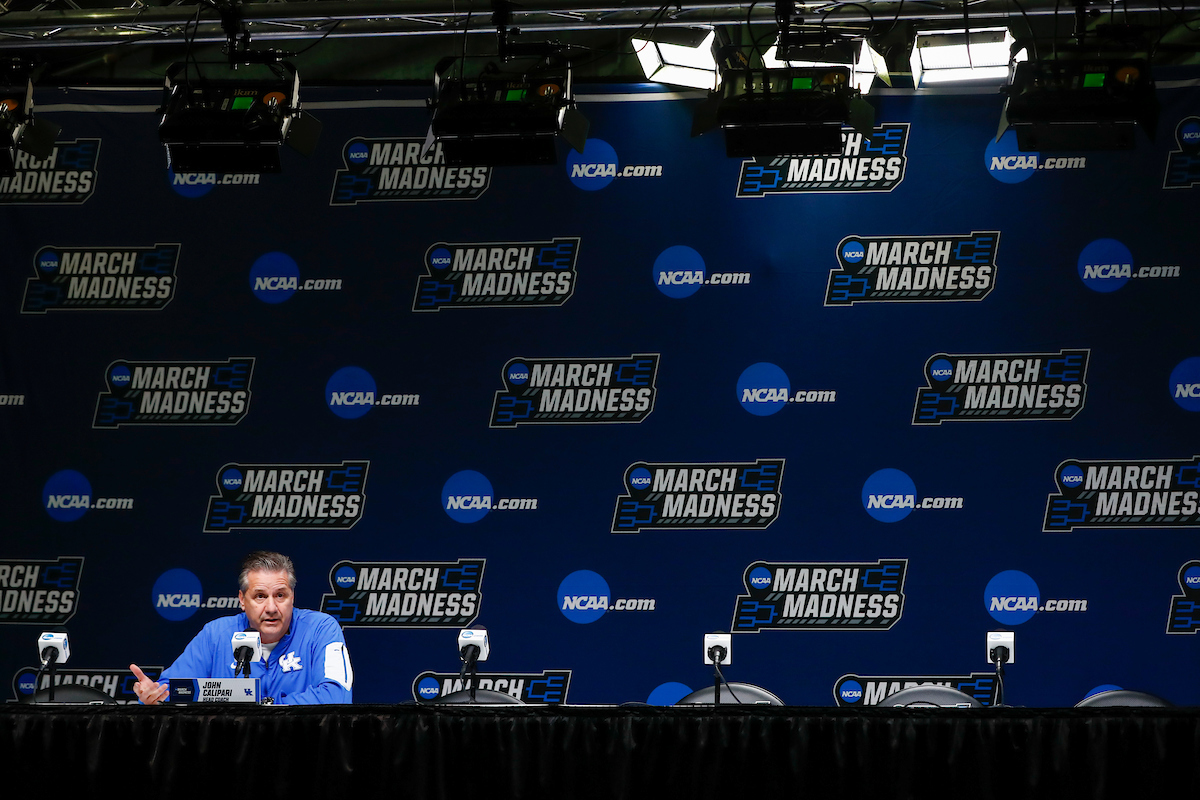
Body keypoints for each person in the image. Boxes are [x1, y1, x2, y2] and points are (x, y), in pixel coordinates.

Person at [130, 551, 353, 704]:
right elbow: (172, 688)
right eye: (260, 596)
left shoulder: (321, 629)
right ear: (242, 600)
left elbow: (337, 695)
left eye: (280, 595)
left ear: (292, 597)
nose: (272, 607)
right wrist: (153, 694)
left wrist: (265, 707)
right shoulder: (216, 635)